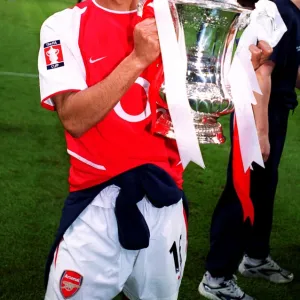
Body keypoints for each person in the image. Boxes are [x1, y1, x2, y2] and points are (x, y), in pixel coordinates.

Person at [38, 0, 273, 299]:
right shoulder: (63, 25)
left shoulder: (177, 15)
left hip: (166, 202)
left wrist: (233, 72)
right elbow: (73, 117)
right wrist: (137, 58)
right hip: (96, 203)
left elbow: (198, 99)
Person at [199, 0, 300, 299]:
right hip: (258, 112)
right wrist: (260, 132)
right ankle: (216, 277)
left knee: (264, 187)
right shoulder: (279, 9)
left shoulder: (291, 12)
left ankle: (255, 257)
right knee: (242, 192)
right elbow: (261, 72)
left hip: (274, 110)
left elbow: (288, 67)